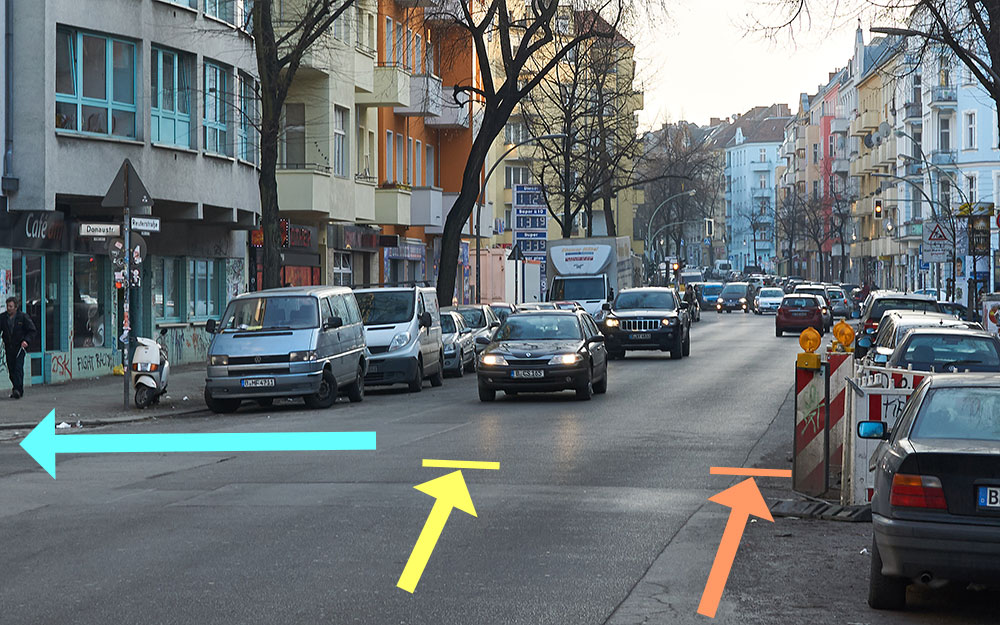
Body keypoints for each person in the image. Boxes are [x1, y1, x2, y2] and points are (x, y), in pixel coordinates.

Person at [1, 297, 37, 399]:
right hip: (9, 347)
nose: (9, 308)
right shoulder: (3, 318)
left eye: (11, 306)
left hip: (20, 347)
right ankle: (15, 387)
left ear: (16, 307)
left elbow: (32, 330)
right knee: (11, 369)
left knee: (18, 368)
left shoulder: (23, 317)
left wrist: (26, 340)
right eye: (7, 306)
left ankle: (18, 390)